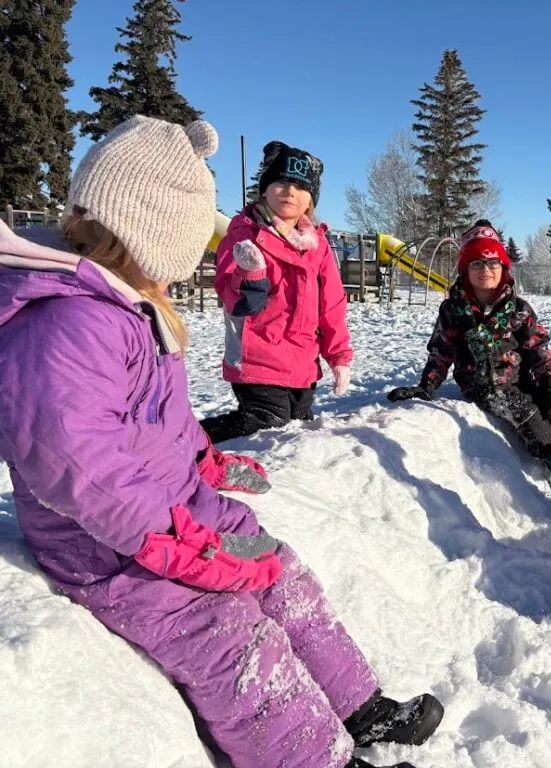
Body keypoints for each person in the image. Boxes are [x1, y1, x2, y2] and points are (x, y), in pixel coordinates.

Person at [0, 116, 440, 768]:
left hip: (176, 511)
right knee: (233, 639)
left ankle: (361, 705)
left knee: (279, 570)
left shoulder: (130, 307)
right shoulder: (69, 321)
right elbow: (78, 467)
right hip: (111, 548)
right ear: (152, 234)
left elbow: (163, 419)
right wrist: (187, 546)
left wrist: (205, 460)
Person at [387, 220, 551, 498]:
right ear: (464, 268)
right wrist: (427, 385)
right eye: (476, 263)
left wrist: (550, 387)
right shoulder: (454, 309)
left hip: (520, 376)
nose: (485, 270)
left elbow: (540, 352)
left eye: (492, 263)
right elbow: (442, 349)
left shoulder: (519, 310)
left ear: (503, 268)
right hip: (483, 384)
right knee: (524, 411)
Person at [200, 140, 352, 444]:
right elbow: (233, 297)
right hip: (257, 355)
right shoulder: (245, 233)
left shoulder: (316, 245)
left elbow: (331, 304)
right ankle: (187, 441)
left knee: (293, 430)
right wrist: (250, 277)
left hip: (303, 362)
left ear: (310, 200)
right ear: (265, 189)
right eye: (281, 182)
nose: (290, 191)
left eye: (299, 186)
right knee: (267, 422)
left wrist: (338, 355)